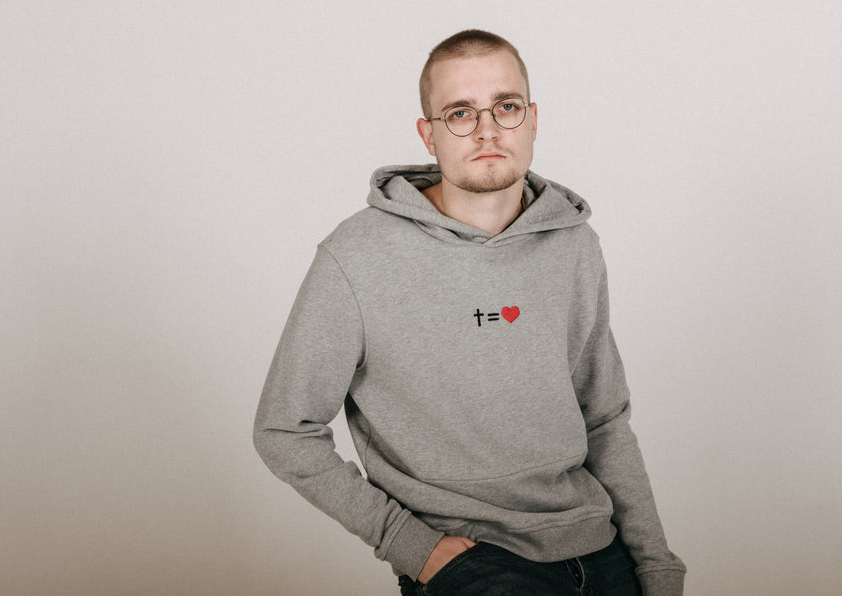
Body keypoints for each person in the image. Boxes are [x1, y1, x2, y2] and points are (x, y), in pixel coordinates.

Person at [254, 29, 686, 595]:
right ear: (428, 134)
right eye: (460, 113)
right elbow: (284, 430)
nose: (487, 130)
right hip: (470, 561)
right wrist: (409, 544)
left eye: (505, 107)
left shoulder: (574, 246)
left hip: (599, 548)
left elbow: (603, 418)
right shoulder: (356, 258)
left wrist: (656, 564)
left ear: (532, 119)